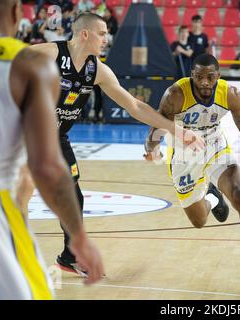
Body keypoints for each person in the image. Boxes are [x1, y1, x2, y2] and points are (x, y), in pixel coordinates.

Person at [16, 12, 204, 277]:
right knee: (20, 193)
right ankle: (13, 256)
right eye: (102, 33)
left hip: (56, 137)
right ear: (84, 34)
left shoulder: (98, 71)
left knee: (72, 197)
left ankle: (70, 257)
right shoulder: (49, 54)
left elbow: (135, 105)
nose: (107, 38)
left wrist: (175, 129)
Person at [0, 0, 104, 299]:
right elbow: (47, 168)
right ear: (15, 14)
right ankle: (69, 254)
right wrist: (80, 238)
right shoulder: (29, 65)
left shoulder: (91, 68)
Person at [144, 54, 240, 288]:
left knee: (239, 195)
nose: (204, 82)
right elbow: (157, 126)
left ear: (218, 76)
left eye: (210, 77)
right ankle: (213, 198)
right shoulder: (176, 94)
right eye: (199, 77)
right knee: (199, 221)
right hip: (184, 155)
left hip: (215, 146)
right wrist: (151, 149)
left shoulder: (230, 93)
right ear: (191, 75)